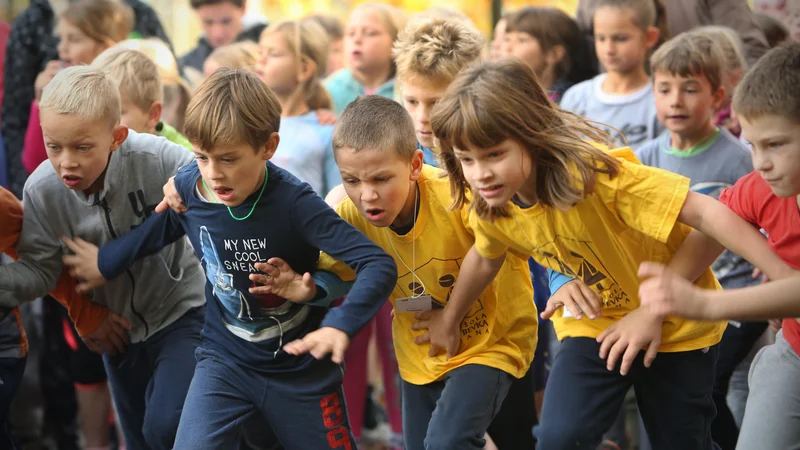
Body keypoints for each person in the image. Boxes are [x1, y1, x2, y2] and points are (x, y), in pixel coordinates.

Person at [429, 58, 794, 450]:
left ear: (531, 136)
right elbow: (486, 258)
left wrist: (784, 278)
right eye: (467, 160)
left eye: (494, 155)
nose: (480, 173)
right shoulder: (492, 206)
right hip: (595, 324)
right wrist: (450, 319)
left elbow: (706, 210)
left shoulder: (598, 178)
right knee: (559, 439)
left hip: (676, 327)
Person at [65, 68, 397, 448]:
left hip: (300, 371)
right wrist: (106, 262)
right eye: (202, 157)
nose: (214, 174)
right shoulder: (191, 186)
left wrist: (340, 323)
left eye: (228, 159)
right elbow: (160, 228)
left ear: (268, 147)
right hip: (226, 363)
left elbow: (377, 263)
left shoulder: (295, 203)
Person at [248, 95, 539, 450]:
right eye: (351, 180)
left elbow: (499, 247)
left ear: (415, 165)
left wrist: (449, 318)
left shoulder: (456, 195)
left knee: (448, 442)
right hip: (419, 353)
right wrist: (308, 288)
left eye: (381, 179)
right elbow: (340, 273)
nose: (367, 195)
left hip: (491, 341)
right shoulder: (351, 215)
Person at [0, 66, 207, 449]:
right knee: (138, 435)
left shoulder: (154, 156)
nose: (66, 162)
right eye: (53, 146)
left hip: (182, 313)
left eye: (82, 147)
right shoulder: (42, 190)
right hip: (119, 334)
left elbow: (205, 175)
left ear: (116, 137)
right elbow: (41, 271)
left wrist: (185, 190)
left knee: (167, 425)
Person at [638, 41, 800, 450]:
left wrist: (705, 304)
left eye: (775, 144)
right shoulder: (762, 186)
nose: (760, 161)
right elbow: (712, 229)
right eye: (753, 144)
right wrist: (656, 305)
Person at [561, 0, 664, 149]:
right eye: (601, 38)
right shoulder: (577, 98)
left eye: (620, 39)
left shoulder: (660, 100)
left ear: (650, 37)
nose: (609, 49)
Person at [256, 20, 339, 197]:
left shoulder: (327, 130)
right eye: (260, 52)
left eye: (274, 54)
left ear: (304, 68)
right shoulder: (251, 122)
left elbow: (339, 197)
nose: (261, 60)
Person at [92, 47, 192, 150]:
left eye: (115, 113)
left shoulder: (183, 160)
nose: (99, 122)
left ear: (153, 115)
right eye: (93, 111)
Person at [325, 2, 406, 113]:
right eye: (351, 33)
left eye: (369, 33)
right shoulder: (329, 91)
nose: (357, 39)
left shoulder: (409, 93)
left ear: (396, 43)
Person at [503, 6, 595, 104]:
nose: (508, 47)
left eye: (521, 40)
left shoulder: (573, 100)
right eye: (507, 39)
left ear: (554, 54)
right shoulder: (504, 93)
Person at [180, 0, 267, 74]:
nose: (217, 33)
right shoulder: (186, 67)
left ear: (243, 8)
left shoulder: (269, 54)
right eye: (208, 22)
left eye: (226, 21)